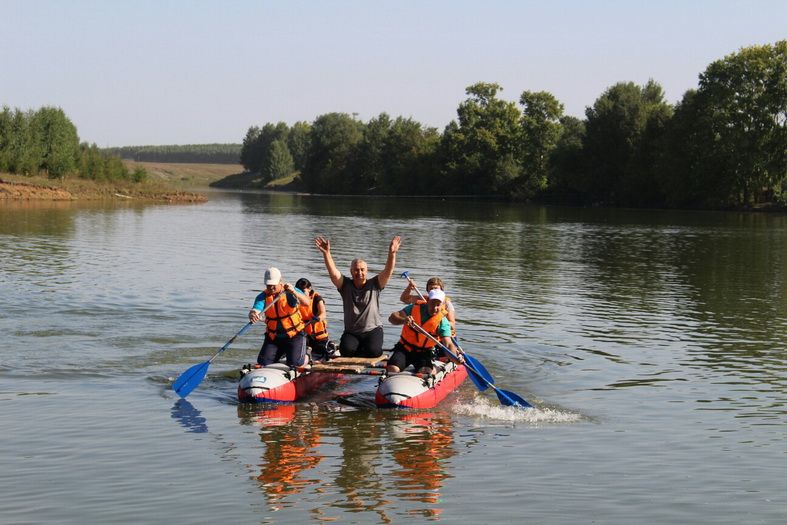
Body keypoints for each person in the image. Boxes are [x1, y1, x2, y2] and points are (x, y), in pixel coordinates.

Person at [314, 235, 401, 358]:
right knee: (346, 351)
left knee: (374, 351)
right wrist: (327, 254)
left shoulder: (375, 284)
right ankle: (358, 348)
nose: (359, 273)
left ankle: (366, 348)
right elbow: (334, 274)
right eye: (356, 270)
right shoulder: (345, 286)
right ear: (351, 271)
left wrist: (392, 253)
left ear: (366, 271)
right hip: (352, 332)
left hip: (373, 330)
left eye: (362, 270)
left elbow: (388, 271)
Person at [387, 289, 463, 376]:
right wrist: (404, 320)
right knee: (392, 369)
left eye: (438, 305)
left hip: (424, 353)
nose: (435, 308)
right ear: (427, 301)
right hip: (404, 349)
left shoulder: (443, 321)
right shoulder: (413, 308)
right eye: (432, 303)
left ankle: (435, 369)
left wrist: (456, 359)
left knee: (426, 372)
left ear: (442, 305)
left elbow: (448, 344)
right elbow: (392, 318)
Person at [248, 267, 311, 368]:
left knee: (296, 363)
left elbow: (307, 302)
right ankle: (283, 353)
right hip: (274, 337)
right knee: (262, 362)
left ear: (280, 281)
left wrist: (294, 292)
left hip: (294, 335)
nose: (271, 288)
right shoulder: (262, 296)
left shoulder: (290, 292)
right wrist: (252, 314)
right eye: (269, 285)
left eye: (274, 285)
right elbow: (256, 309)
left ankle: (306, 354)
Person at [294, 277, 335, 359]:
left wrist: (318, 318)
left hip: (319, 337)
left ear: (309, 289)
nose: (301, 294)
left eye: (303, 291)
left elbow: (323, 314)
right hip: (305, 335)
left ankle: (331, 347)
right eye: (299, 292)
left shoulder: (317, 299)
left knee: (321, 350)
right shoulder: (295, 300)